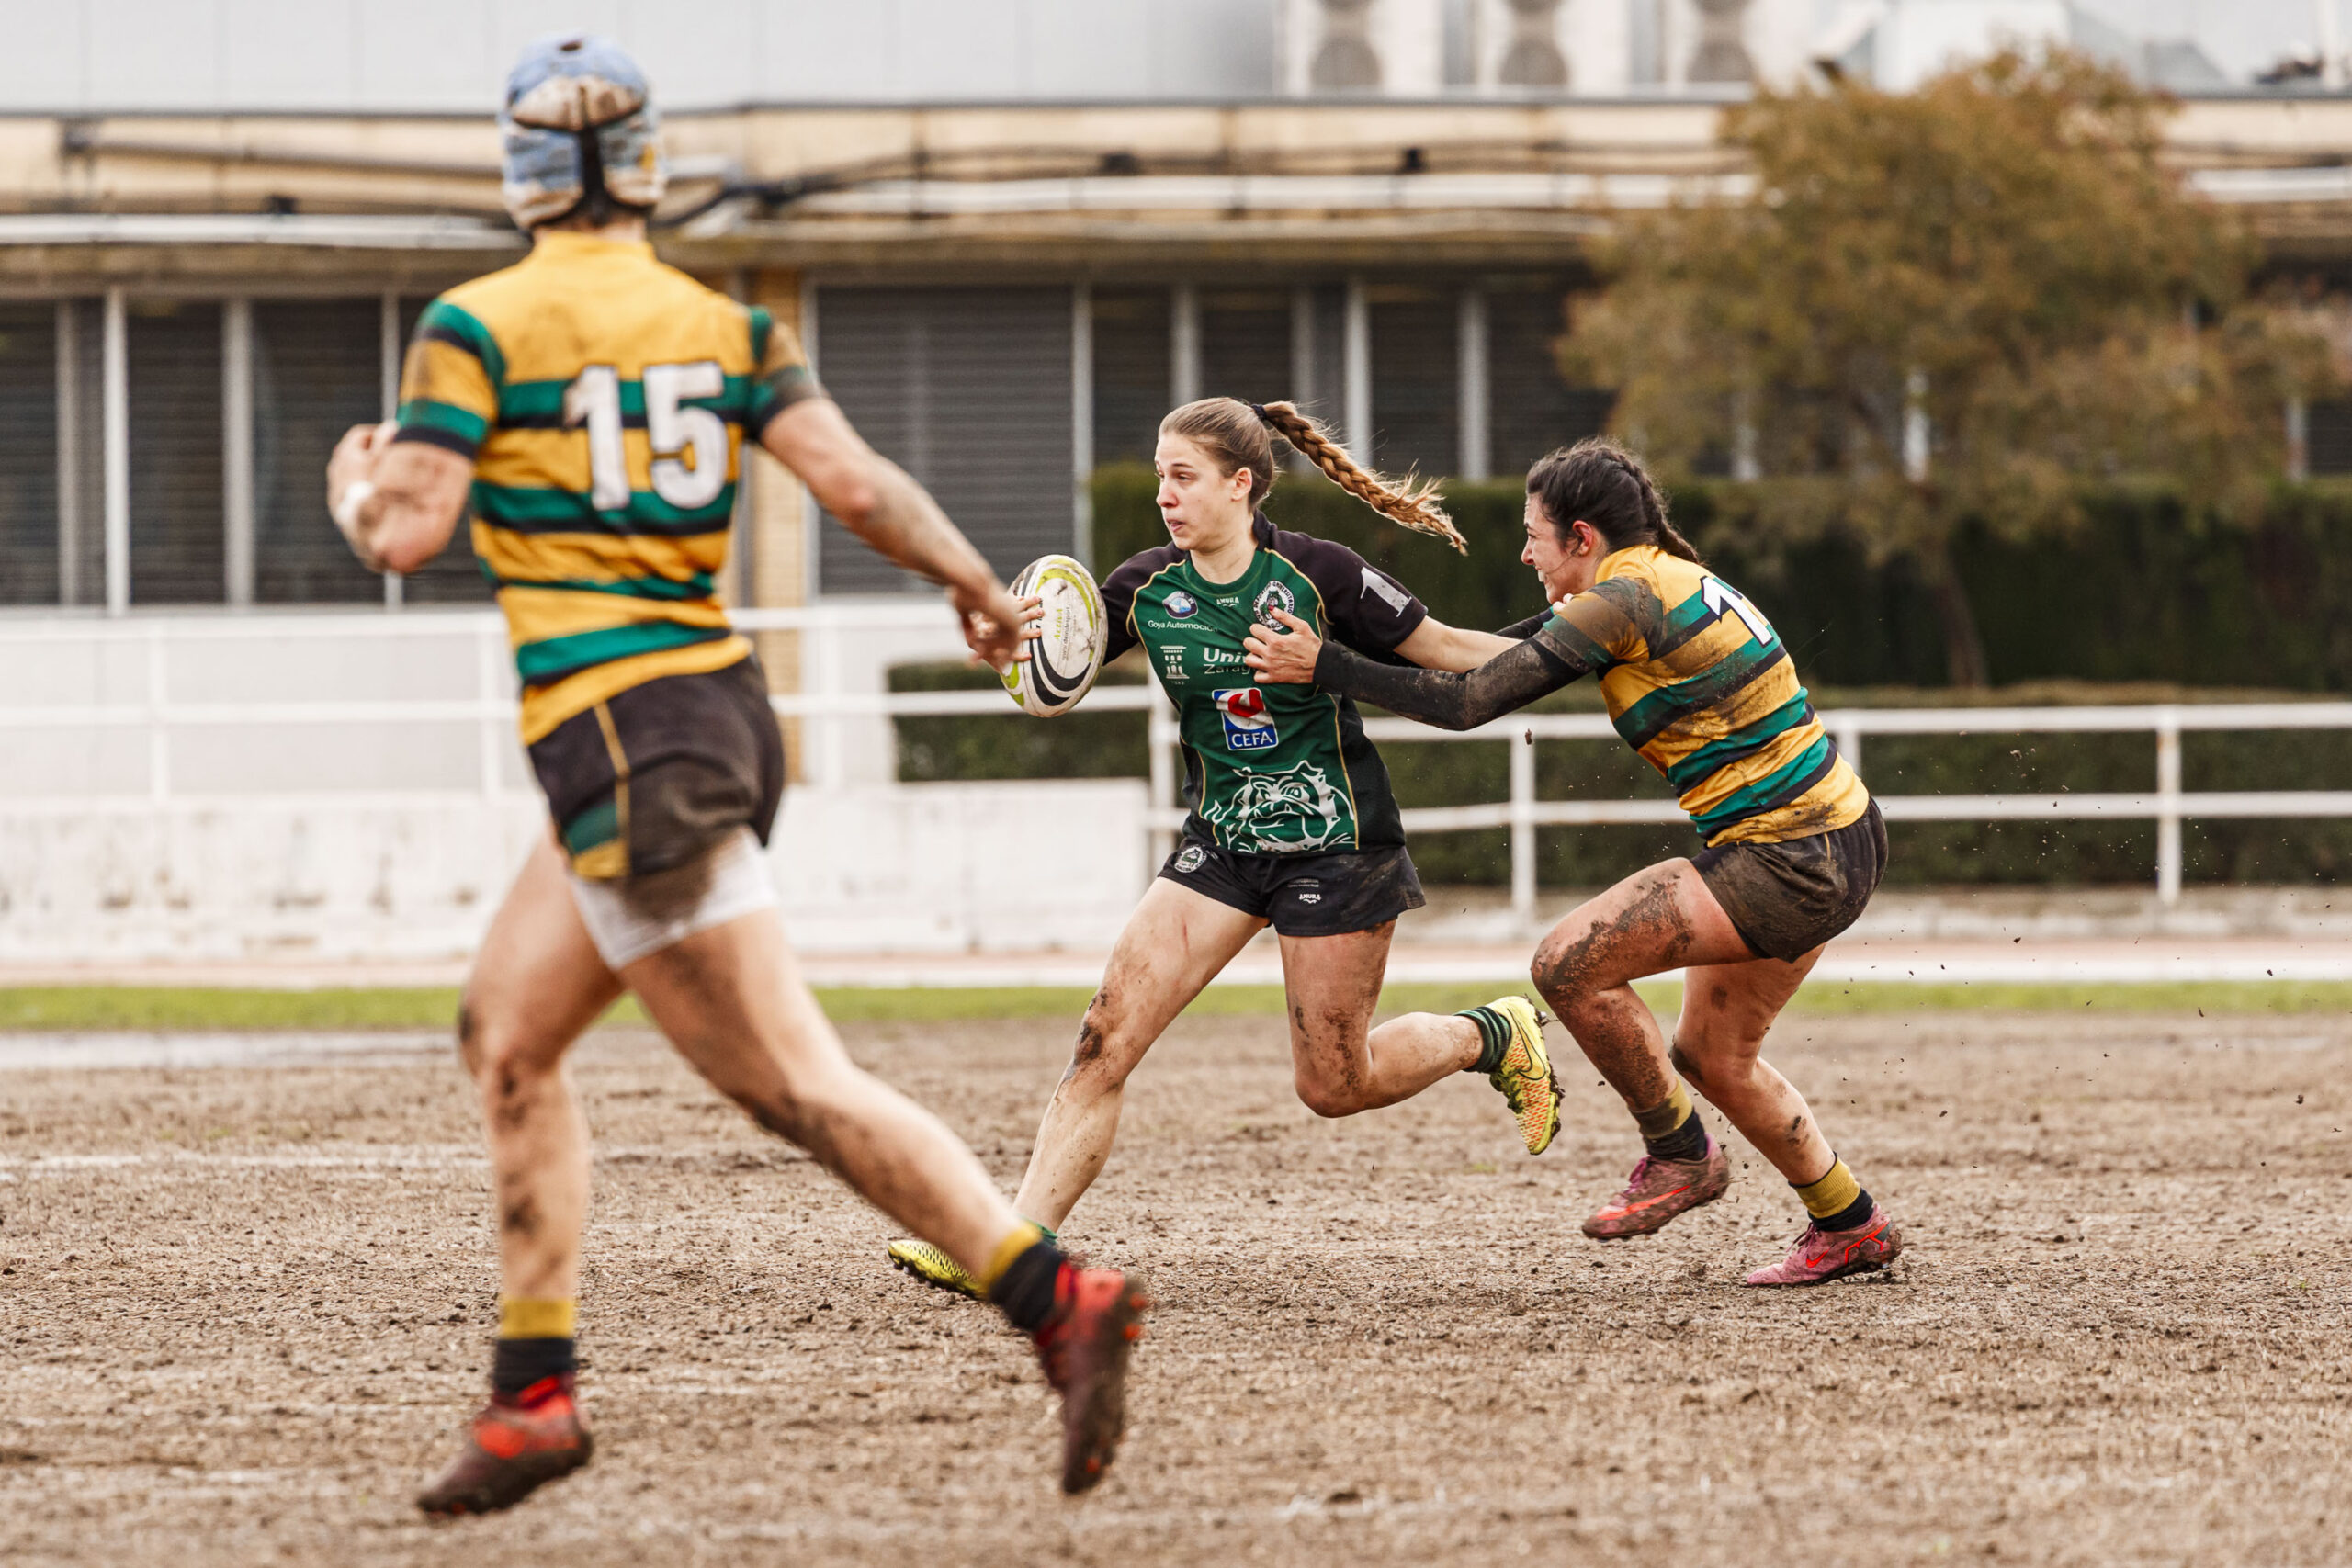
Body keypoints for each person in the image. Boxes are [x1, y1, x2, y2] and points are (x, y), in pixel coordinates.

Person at [324, 34, 1146, 1515]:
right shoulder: (724, 324)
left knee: (793, 1082)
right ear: (650, 168)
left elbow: (407, 531)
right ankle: (533, 1393)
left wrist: (355, 485)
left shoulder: (474, 323)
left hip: (627, 736)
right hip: (704, 717)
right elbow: (855, 484)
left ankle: (1054, 1295)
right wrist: (974, 582)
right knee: (508, 1037)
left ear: (520, 175)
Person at [885, 396, 1565, 1298]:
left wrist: (1586, 640)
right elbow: (1057, 657)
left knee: (1334, 1084)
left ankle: (1490, 1032)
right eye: (1159, 477)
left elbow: (1451, 652)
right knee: (1103, 1041)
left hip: (1336, 844)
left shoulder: (1321, 573)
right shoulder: (1144, 586)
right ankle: (1009, 1250)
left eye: (1183, 477)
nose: (1163, 496)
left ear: (1241, 484)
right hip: (1221, 845)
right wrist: (1002, 639)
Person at [1244, 437, 1903, 1287]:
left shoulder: (1621, 601)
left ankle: (1680, 1155)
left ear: (1581, 538)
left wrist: (1325, 666)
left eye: (1533, 536)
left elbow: (1468, 703)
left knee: (1567, 964)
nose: (1525, 554)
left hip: (1787, 858)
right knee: (1712, 1057)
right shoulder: (1656, 580)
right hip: (1838, 833)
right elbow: (1483, 656)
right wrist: (1351, 625)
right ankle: (1851, 1222)